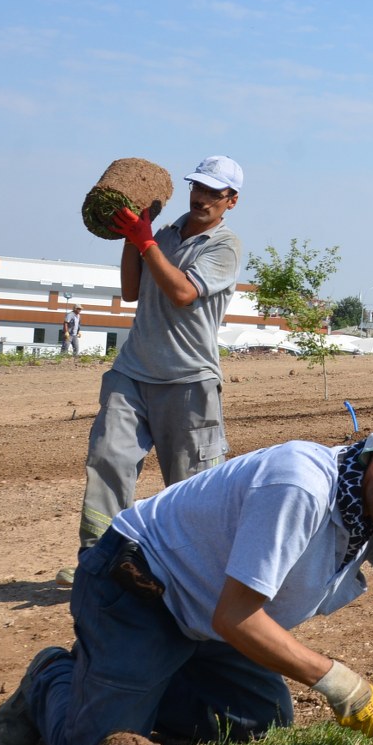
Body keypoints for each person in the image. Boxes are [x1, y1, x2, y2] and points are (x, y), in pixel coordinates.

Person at [0, 411, 373, 745]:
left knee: (261, 722)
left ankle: (133, 678)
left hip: (207, 615)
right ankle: (52, 676)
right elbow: (238, 616)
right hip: (138, 586)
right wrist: (339, 682)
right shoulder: (301, 486)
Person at [59, 156, 244, 586]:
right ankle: (98, 561)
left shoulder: (225, 246)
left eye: (214, 193)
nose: (202, 198)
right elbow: (130, 292)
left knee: (193, 483)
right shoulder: (165, 235)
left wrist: (145, 242)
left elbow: (182, 292)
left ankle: (201, 571)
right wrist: (131, 236)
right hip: (134, 372)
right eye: (198, 187)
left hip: (189, 379)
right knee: (108, 457)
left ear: (231, 201)